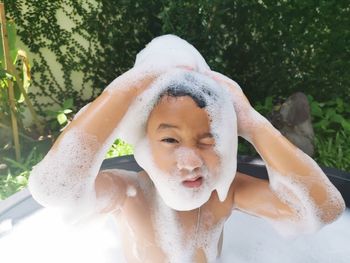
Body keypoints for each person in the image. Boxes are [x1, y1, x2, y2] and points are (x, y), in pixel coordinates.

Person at [28, 40, 345, 263]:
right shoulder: (128, 193)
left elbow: (323, 209)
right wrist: (128, 89)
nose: (190, 161)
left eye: (208, 140)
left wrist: (251, 122)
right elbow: (56, 188)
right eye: (169, 140)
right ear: (145, 142)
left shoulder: (225, 193)